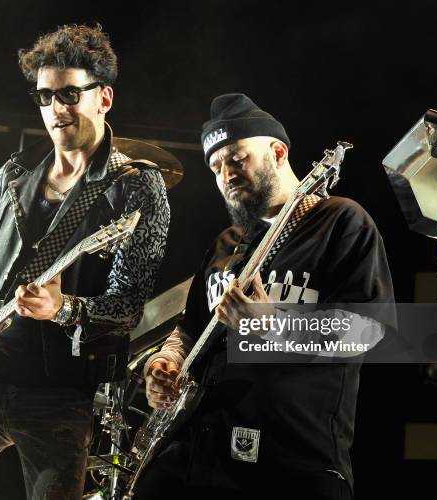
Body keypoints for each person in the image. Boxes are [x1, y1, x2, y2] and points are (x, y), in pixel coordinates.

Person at [0, 24, 170, 499]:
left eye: (69, 94)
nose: (56, 109)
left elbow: (129, 306)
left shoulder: (136, 186)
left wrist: (63, 309)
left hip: (59, 396)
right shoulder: (13, 174)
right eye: (45, 97)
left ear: (103, 98)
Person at [140, 93, 393, 498]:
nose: (226, 173)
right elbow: (189, 329)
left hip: (292, 465)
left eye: (238, 158)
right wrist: (165, 362)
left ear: (277, 151)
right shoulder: (227, 243)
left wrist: (274, 324)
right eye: (216, 166)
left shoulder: (341, 221)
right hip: (198, 456)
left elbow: (369, 332)